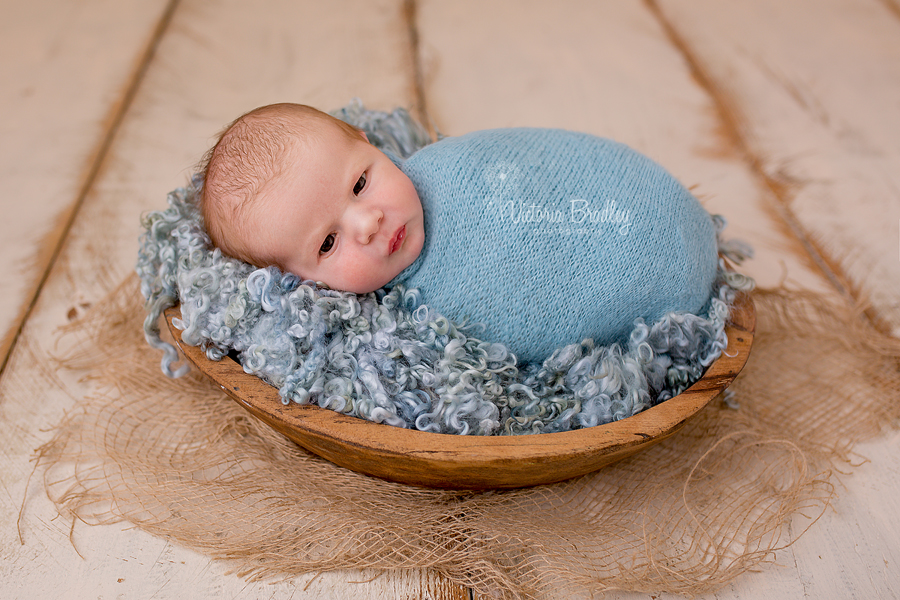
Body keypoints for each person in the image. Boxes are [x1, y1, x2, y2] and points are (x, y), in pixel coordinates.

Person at [200, 103, 719, 365]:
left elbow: (540, 162)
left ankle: (658, 237)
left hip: (650, 210)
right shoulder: (408, 337)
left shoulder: (451, 168)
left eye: (361, 182)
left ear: (371, 142)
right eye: (327, 244)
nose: (368, 222)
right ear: (293, 282)